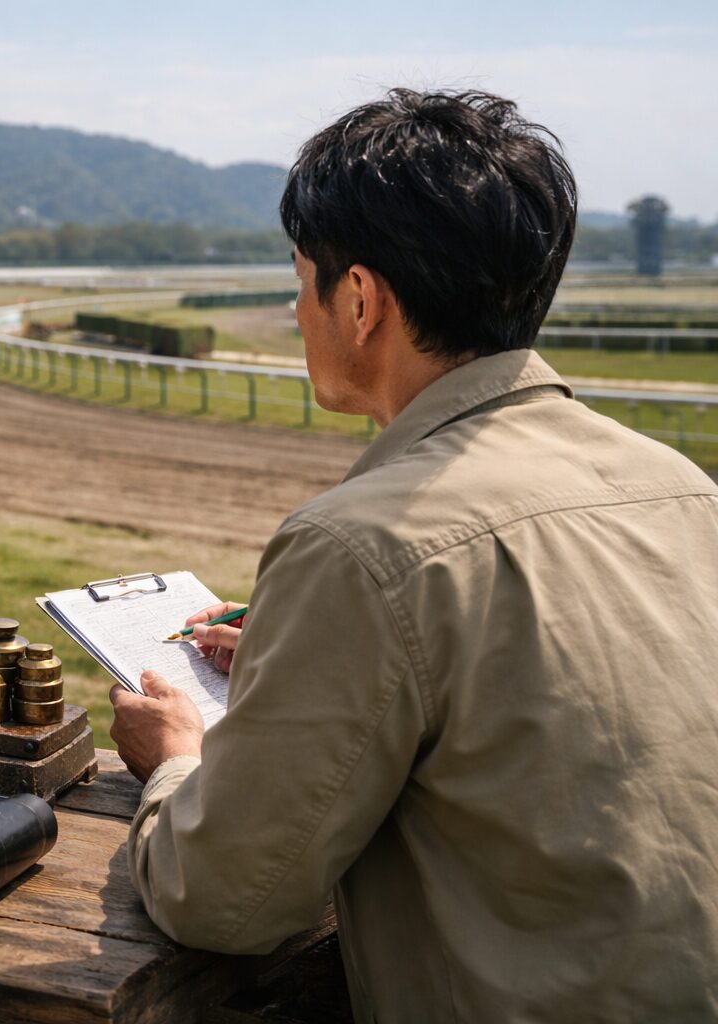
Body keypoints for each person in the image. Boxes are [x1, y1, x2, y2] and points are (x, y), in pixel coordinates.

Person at [108, 88, 718, 1022]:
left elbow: (223, 898)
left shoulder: (360, 546)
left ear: (360, 300)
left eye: (301, 278)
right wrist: (309, 648)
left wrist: (175, 761)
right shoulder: (682, 486)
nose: (296, 308)